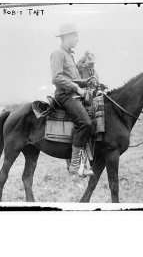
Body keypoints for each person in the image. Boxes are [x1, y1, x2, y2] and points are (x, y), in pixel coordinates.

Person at [50, 24, 96, 177]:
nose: (77, 39)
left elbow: (74, 79)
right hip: (65, 95)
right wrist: (78, 88)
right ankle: (74, 166)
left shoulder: (70, 55)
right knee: (86, 123)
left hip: (73, 94)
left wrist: (87, 81)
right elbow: (56, 78)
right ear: (66, 37)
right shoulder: (58, 54)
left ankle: (85, 161)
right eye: (75, 36)